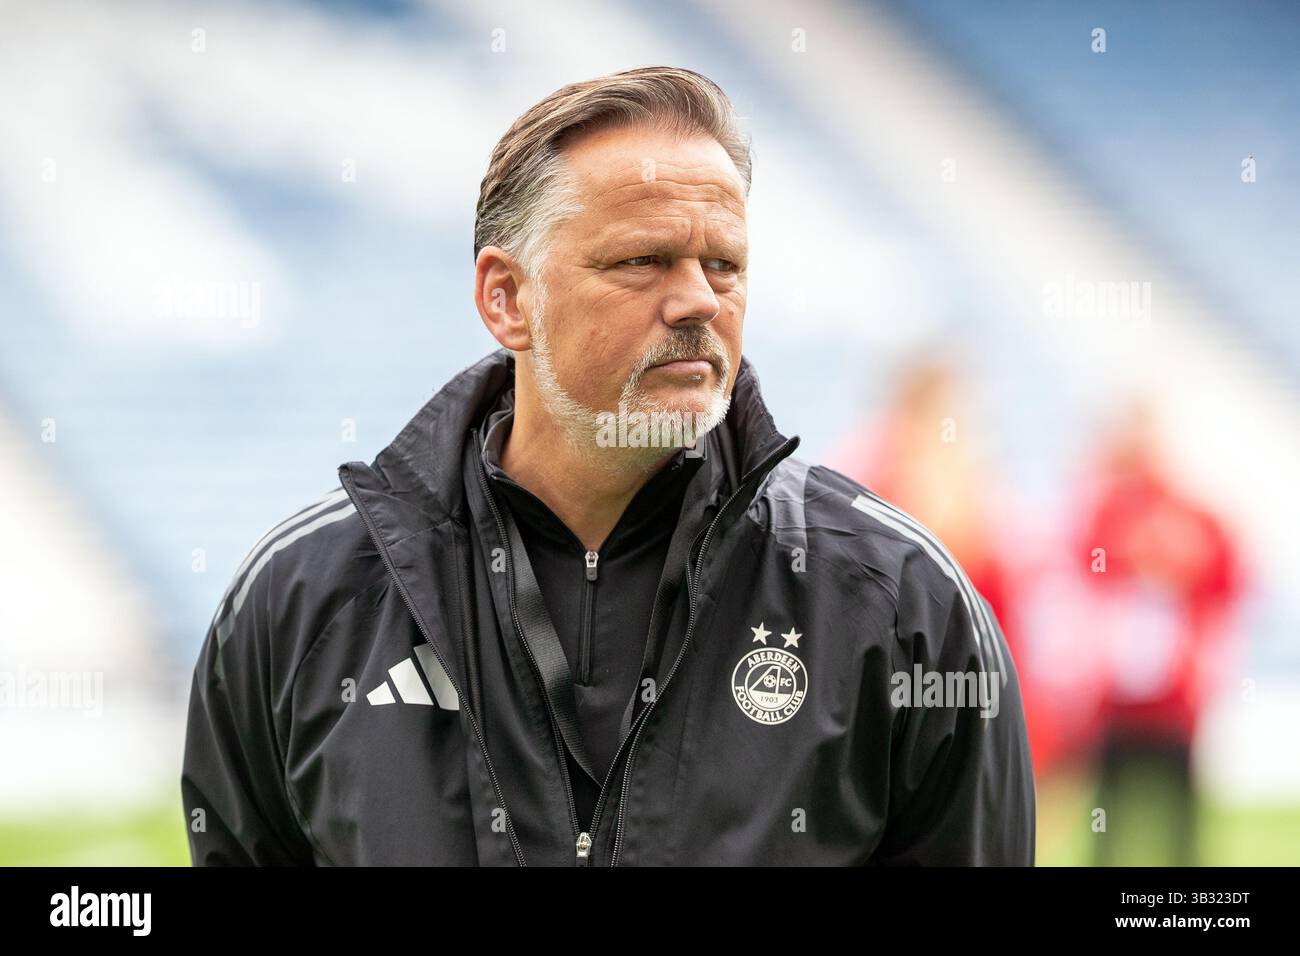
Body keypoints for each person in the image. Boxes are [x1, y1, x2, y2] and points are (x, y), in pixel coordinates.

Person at [181, 66, 1035, 866]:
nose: (700, 298)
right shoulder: (298, 603)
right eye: (642, 260)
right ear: (506, 299)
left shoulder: (900, 602)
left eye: (724, 265)